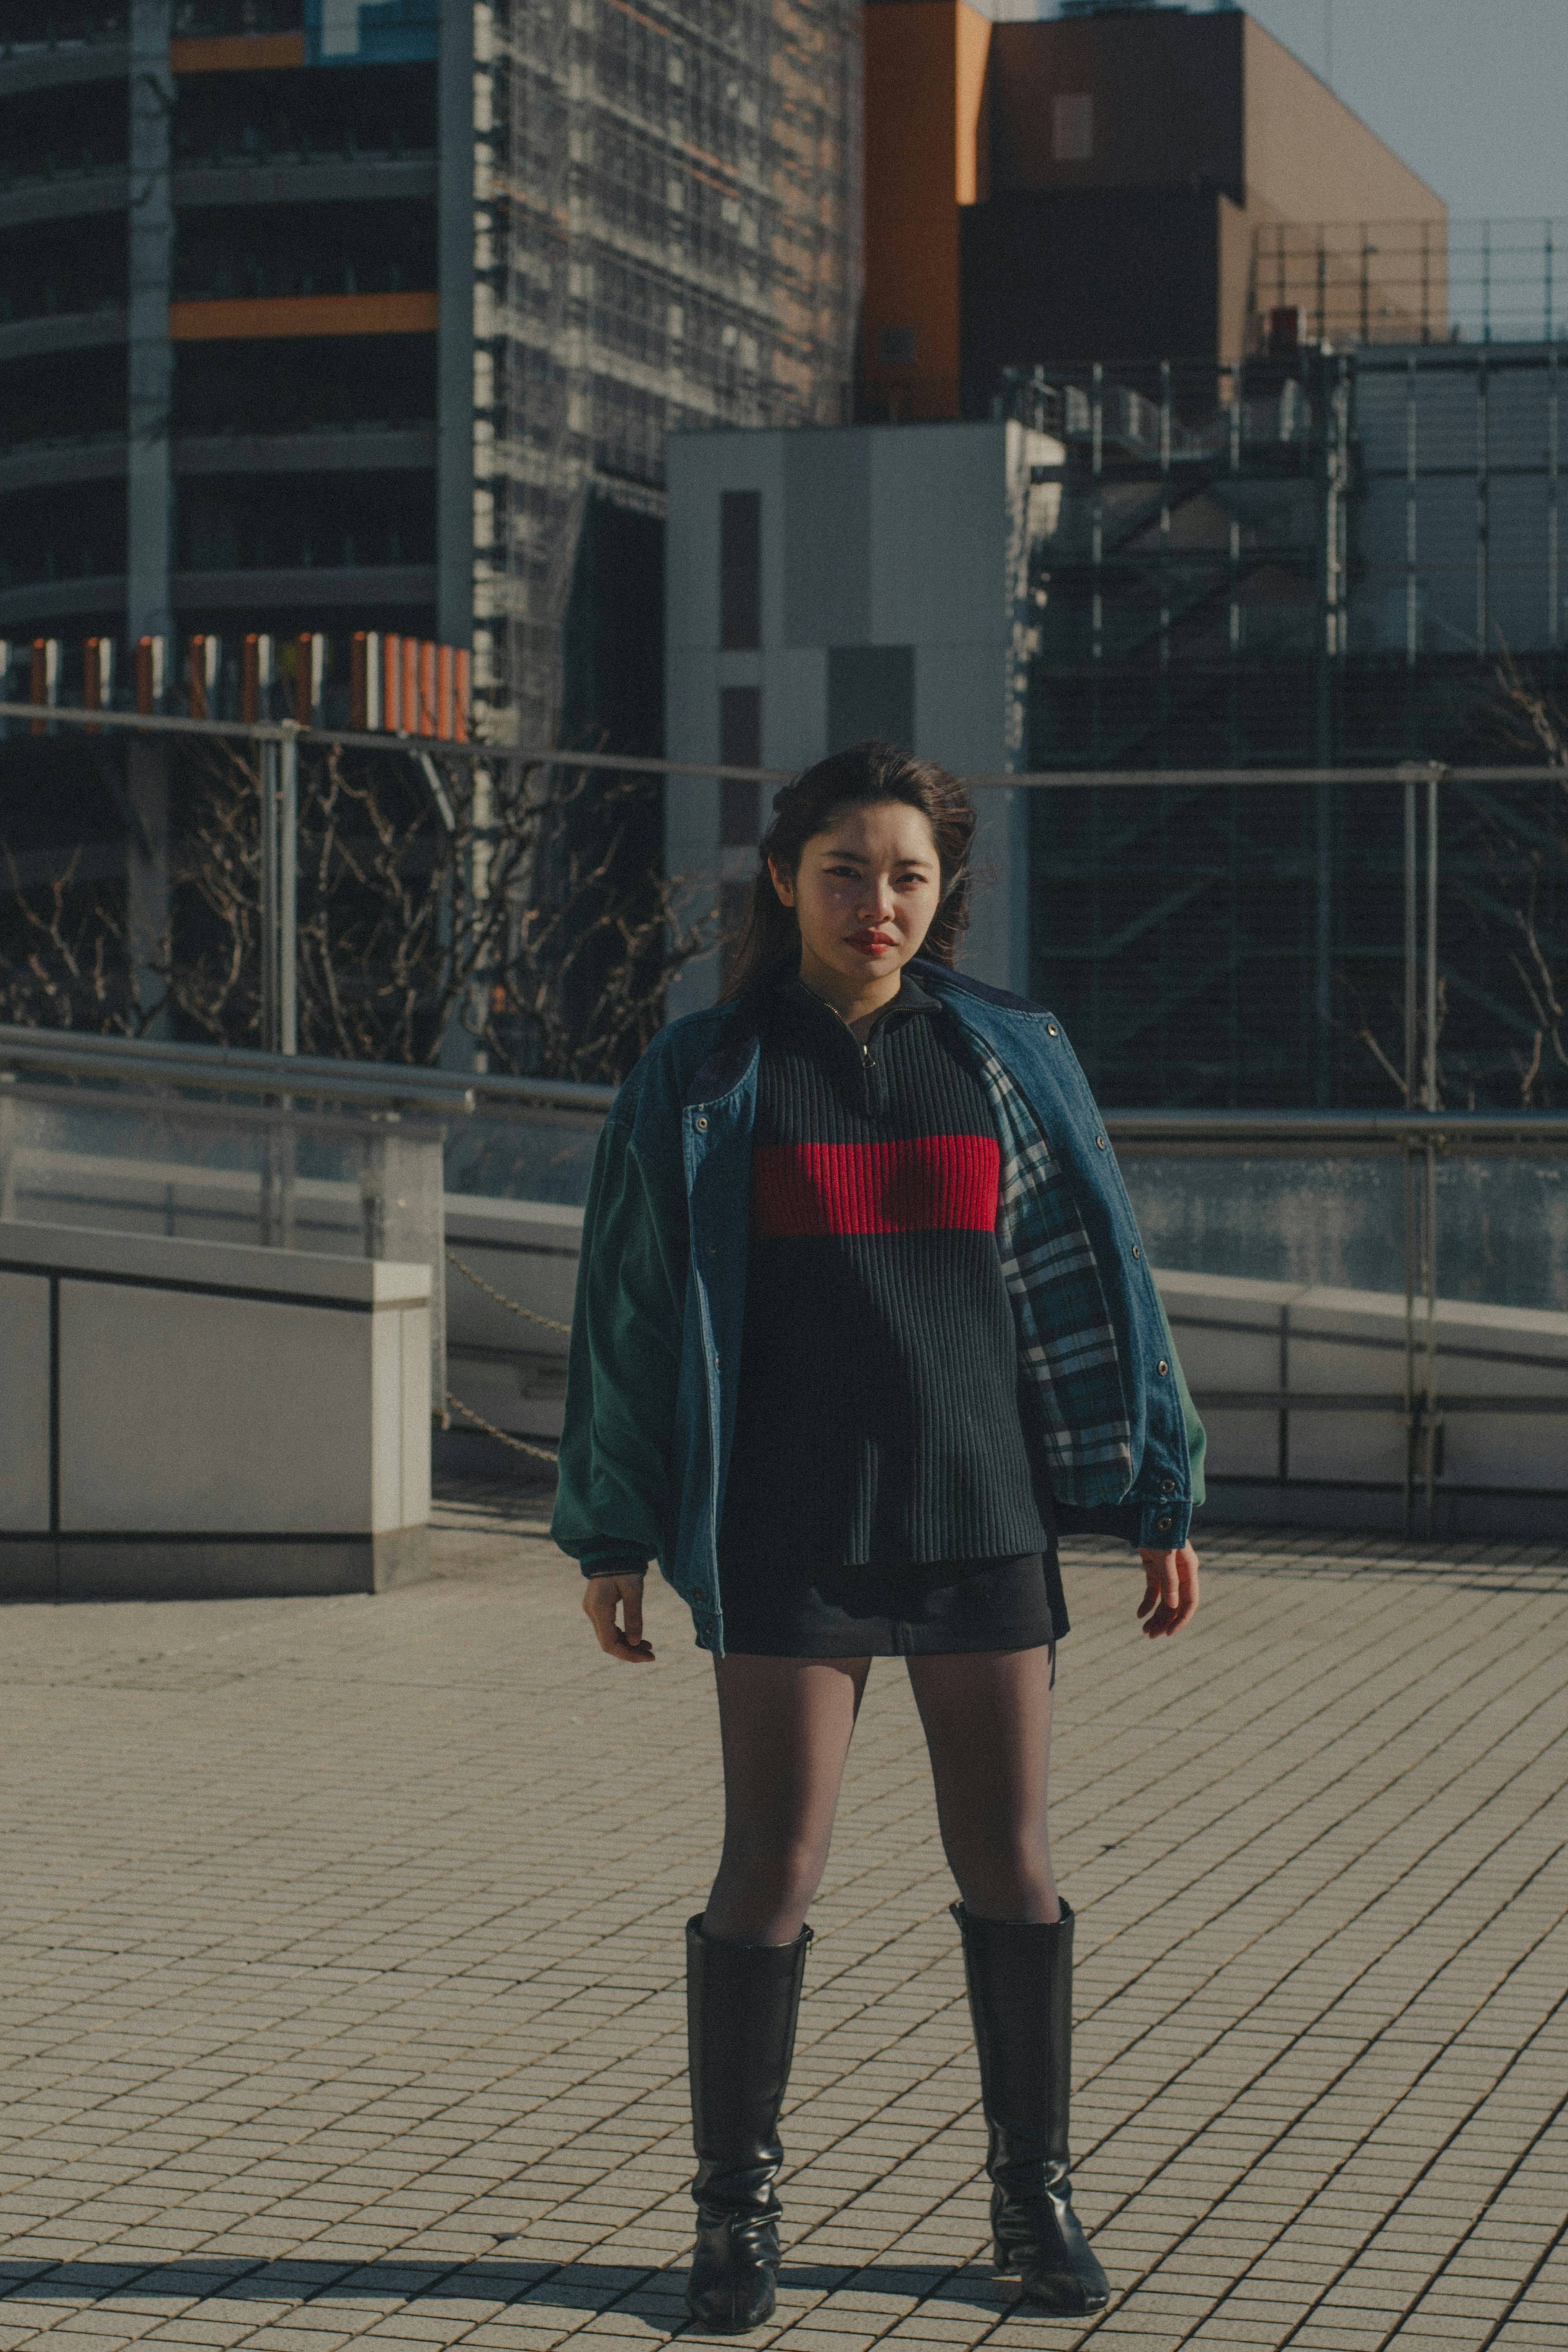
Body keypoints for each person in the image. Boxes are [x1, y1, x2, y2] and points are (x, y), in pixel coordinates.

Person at [552, 742, 1203, 2332]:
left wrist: (1158, 1491)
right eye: (847, 871)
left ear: (942, 892)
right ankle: (732, 2222)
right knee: (768, 1868)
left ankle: (1032, 2202)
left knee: (1018, 1865)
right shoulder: (706, 1074)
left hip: (981, 1511)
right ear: (784, 881)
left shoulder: (1010, 1053)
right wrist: (613, 1527)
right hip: (786, 1525)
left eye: (909, 875)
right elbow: (631, 1316)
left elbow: (1105, 1273)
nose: (880, 903)